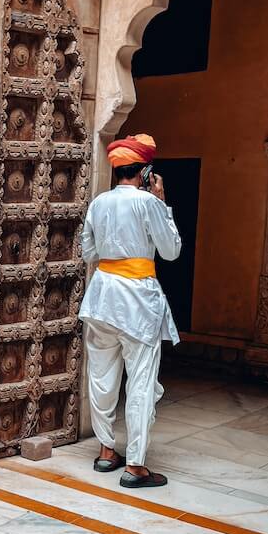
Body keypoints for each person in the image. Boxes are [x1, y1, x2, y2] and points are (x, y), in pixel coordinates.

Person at [79, 134, 182, 489]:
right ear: (145, 170)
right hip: (138, 302)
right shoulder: (148, 203)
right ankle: (135, 466)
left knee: (102, 379)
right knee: (140, 383)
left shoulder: (98, 203)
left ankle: (107, 451)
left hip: (101, 299)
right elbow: (171, 251)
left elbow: (88, 252)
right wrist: (163, 204)